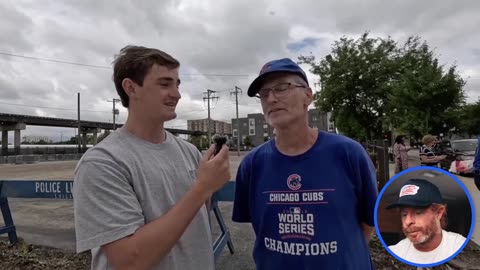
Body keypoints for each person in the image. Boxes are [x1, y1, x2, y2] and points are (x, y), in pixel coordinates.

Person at [73, 45, 231, 270]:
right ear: (131, 88)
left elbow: (196, 224)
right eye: (164, 84)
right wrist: (202, 188)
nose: (176, 94)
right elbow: (129, 261)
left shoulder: (189, 152)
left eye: (177, 85)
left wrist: (205, 187)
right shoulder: (101, 163)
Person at [232, 58, 378, 269]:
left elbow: (368, 223)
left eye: (282, 87)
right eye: (264, 94)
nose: (271, 98)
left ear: (308, 96)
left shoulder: (348, 153)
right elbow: (263, 229)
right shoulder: (252, 164)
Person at [386, 178, 466, 264]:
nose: (408, 221)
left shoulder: (459, 247)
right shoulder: (394, 253)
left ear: (438, 212)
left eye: (418, 212)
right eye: (404, 214)